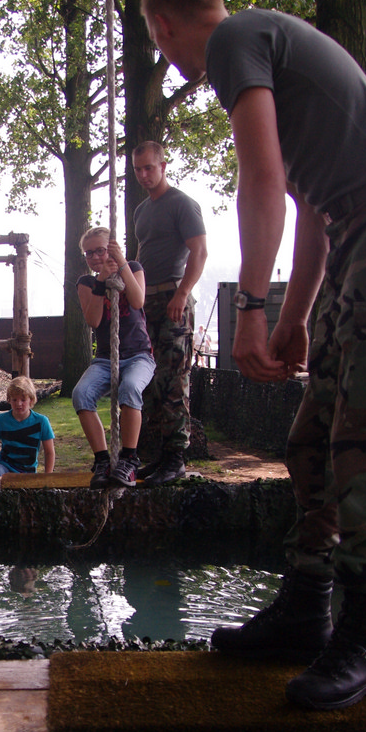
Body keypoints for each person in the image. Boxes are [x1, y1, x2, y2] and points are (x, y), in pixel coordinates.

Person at [141, 0, 366, 711]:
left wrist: (251, 310)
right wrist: (296, 318)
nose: (167, 57)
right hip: (358, 230)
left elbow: (260, 181)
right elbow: (309, 210)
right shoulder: (266, 49)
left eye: (159, 43)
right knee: (313, 438)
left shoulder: (236, 40)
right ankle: (306, 609)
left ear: (162, 27)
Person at [132, 141, 208, 484]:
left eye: (149, 168)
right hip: (146, 301)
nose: (143, 175)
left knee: (174, 378)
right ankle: (162, 456)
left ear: (163, 166)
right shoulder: (141, 211)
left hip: (173, 298)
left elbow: (200, 252)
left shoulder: (182, 204)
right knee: (151, 379)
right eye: (138, 169)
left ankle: (177, 457)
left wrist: (182, 294)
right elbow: (141, 254)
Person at [72, 225, 156, 488]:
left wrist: (121, 265)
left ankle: (129, 459)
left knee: (129, 388)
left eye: (100, 250)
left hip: (139, 356)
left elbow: (138, 300)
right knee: (81, 394)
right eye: (89, 253)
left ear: (112, 248)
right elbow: (94, 320)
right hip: (106, 359)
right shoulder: (86, 283)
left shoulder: (134, 268)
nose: (95, 257)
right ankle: (102, 460)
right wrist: (101, 282)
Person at [0, 376, 55, 478]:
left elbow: (49, 452)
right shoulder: (1, 420)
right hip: (4, 465)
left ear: (31, 400)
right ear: (9, 400)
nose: (18, 404)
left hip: (27, 470)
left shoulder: (42, 421)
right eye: (14, 400)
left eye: (23, 400)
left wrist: (48, 477)